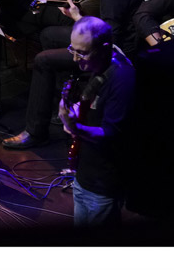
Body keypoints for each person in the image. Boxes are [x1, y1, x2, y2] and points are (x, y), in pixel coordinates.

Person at [3, 0, 144, 149]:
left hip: (114, 55)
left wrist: (79, 19)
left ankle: (35, 132)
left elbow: (108, 39)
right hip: (105, 43)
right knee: (49, 35)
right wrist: (78, 16)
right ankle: (64, 102)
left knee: (43, 60)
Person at [59, 16, 136, 227]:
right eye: (72, 50)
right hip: (84, 175)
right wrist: (77, 109)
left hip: (103, 185)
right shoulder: (99, 67)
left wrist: (74, 127)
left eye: (82, 53)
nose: (75, 59)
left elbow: (111, 133)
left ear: (104, 48)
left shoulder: (122, 79)